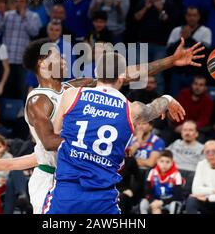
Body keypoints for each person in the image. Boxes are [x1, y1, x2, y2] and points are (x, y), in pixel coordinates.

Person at [0, 37, 204, 214]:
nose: (65, 59)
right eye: (58, 55)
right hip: (53, 181)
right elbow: (47, 142)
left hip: (77, 174)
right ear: (43, 63)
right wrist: (102, 149)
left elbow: (123, 75)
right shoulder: (38, 100)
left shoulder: (71, 89)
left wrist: (172, 61)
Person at [43, 52, 187, 214]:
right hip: (102, 199)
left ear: (96, 73)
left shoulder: (71, 95)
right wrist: (168, 99)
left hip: (66, 193)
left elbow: (55, 136)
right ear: (121, 78)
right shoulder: (133, 110)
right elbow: (153, 109)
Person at [134, 0, 178, 93]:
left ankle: (158, 103)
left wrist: (160, 10)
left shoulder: (169, 4)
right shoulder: (143, 2)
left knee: (158, 76)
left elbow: (170, 22)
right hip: (142, 44)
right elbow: (136, 18)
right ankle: (136, 101)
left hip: (160, 45)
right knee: (139, 73)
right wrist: (146, 8)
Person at [0, 0, 41, 99]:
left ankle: (22, 114)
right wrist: (1, 15)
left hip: (22, 61)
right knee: (5, 90)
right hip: (6, 61)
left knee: (22, 90)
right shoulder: (7, 15)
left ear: (26, 3)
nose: (19, 4)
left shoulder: (33, 16)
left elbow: (34, 32)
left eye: (22, 1)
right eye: (17, 1)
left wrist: (24, 18)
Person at [167, 6, 211, 96]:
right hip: (177, 73)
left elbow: (205, 52)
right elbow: (169, 51)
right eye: (189, 15)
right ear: (185, 16)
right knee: (174, 99)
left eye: (194, 15)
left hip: (194, 74)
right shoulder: (177, 30)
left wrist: (189, 38)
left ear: (199, 17)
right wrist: (182, 39)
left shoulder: (205, 31)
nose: (192, 18)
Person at [139, 150, 184, 214]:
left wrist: (162, 202)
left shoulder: (176, 174)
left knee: (174, 205)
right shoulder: (152, 172)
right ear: (157, 162)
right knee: (143, 203)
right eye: (162, 161)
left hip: (170, 201)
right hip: (155, 200)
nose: (164, 164)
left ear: (172, 163)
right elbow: (147, 192)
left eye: (167, 162)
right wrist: (153, 201)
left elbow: (177, 195)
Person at [167, 121, 204, 194]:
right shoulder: (175, 143)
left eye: (190, 130)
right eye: (185, 130)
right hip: (173, 172)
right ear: (181, 132)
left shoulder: (202, 148)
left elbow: (202, 167)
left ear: (196, 134)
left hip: (191, 174)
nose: (187, 133)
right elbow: (163, 155)